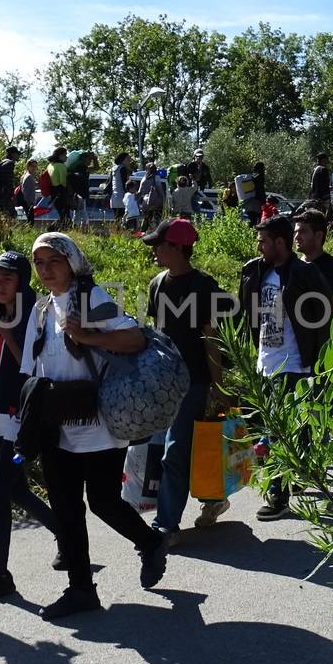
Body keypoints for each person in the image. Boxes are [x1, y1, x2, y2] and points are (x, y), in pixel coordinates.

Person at [19, 233, 167, 620]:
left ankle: (150, 542)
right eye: (39, 263)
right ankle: (81, 590)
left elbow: (135, 339)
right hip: (55, 422)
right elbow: (33, 366)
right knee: (66, 509)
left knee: (102, 502)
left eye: (53, 261)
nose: (46, 270)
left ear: (72, 261)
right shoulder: (39, 310)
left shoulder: (93, 300)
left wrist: (86, 335)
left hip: (98, 420)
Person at [0, 252, 59, 606]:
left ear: (21, 280)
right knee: (15, 489)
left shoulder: (32, 313)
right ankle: (66, 535)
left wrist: (7, 332)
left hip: (20, 418)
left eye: (6, 279)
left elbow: (33, 368)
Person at [238, 215, 333, 520]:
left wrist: (318, 363)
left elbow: (324, 318)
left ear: (280, 242)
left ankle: (278, 495)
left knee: (278, 431)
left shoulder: (305, 274)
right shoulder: (254, 271)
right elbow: (246, 315)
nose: (259, 246)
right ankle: (297, 474)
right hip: (265, 363)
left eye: (264, 240)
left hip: (294, 364)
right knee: (274, 430)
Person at [143, 220, 233, 539]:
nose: (154, 250)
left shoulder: (203, 287)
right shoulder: (157, 285)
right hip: (165, 384)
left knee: (175, 450)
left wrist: (218, 387)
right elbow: (157, 337)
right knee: (191, 448)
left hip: (195, 381)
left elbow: (212, 340)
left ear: (179, 248)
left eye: (160, 245)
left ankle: (165, 525)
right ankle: (214, 497)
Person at [292, 209, 333, 311]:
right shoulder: (293, 266)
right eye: (295, 232)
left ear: (318, 236)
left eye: (302, 232)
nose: (296, 237)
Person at [45, 148, 73, 228]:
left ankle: (53, 229)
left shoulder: (50, 165)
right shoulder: (61, 166)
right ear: (60, 156)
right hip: (61, 193)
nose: (66, 157)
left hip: (53, 193)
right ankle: (51, 229)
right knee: (66, 217)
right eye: (65, 155)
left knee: (62, 215)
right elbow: (63, 182)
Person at [109, 153, 132, 224]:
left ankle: (116, 233)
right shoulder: (123, 169)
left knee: (117, 219)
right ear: (123, 160)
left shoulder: (114, 169)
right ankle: (120, 233)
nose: (129, 161)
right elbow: (125, 184)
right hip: (122, 198)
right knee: (124, 220)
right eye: (128, 159)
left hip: (114, 199)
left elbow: (109, 183)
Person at [20, 155, 42, 224]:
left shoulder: (25, 175)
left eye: (35, 166)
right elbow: (25, 191)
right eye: (32, 166)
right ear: (28, 166)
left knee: (30, 221)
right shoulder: (29, 176)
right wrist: (28, 203)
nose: (34, 168)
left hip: (27, 202)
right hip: (28, 203)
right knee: (30, 222)